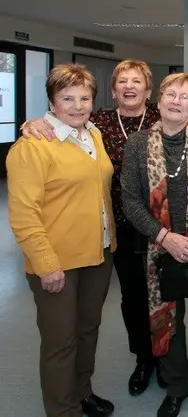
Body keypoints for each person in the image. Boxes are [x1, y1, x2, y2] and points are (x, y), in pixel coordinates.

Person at [19, 59, 188, 395]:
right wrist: (33, 123)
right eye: (122, 80)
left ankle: (166, 360)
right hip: (119, 228)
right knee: (133, 300)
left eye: (137, 81)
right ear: (113, 88)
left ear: (150, 90)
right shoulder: (97, 122)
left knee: (167, 298)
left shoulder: (162, 116)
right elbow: (60, 124)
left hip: (162, 230)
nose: (129, 86)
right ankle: (143, 360)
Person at [7, 63, 116, 417]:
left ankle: (82, 392)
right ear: (52, 103)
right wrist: (46, 265)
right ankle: (62, 410)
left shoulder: (93, 135)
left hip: (97, 254)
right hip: (57, 263)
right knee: (60, 342)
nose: (77, 105)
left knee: (88, 331)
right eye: (67, 98)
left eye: (84, 97)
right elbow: (24, 214)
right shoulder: (33, 146)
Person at [121, 73, 188, 417]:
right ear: (159, 99)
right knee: (167, 322)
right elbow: (130, 199)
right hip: (160, 248)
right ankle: (176, 386)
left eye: (185, 97)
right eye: (171, 93)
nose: (176, 101)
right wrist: (166, 238)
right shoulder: (138, 144)